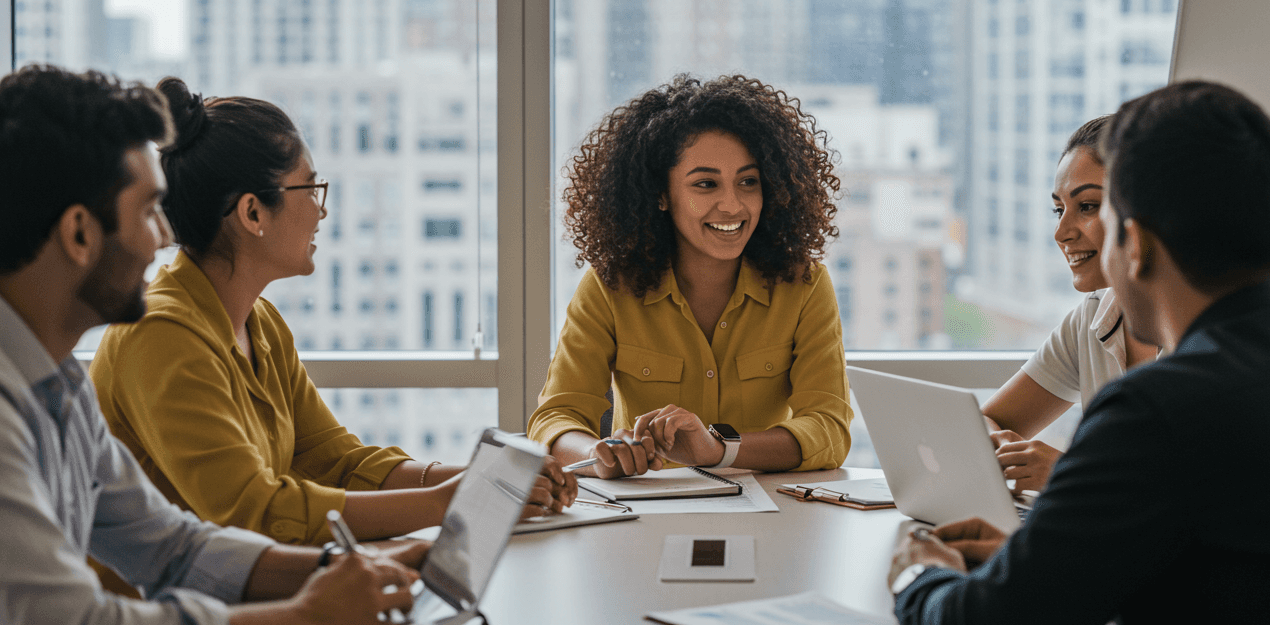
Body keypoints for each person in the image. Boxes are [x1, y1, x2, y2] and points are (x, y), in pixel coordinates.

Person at [888, 81, 1270, 624]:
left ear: (1135, 245)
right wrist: (1049, 561)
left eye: (1101, 219)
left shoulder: (1154, 410)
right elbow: (1251, 577)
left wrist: (916, 572)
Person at [0, 65, 427, 624]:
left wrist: (350, 565)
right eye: (149, 211)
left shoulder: (61, 385)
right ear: (80, 234)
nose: (163, 237)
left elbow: (173, 547)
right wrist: (304, 614)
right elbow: (78, 620)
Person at [89, 77, 574, 549]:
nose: (322, 211)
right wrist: (450, 503)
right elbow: (252, 510)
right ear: (253, 213)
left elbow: (336, 460)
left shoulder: (261, 324)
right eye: (310, 188)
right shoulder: (161, 332)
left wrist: (490, 477)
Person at [528, 74, 852, 478]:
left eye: (748, 182)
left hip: (774, 513)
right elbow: (555, 419)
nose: (732, 205)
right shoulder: (609, 287)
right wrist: (602, 454)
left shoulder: (804, 285)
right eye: (705, 184)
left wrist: (718, 450)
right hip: (646, 513)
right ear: (661, 194)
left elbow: (829, 429)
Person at [980, 116, 1159, 494]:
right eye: (1059, 209)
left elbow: (1211, 500)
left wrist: (1068, 474)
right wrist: (1005, 454)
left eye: (1088, 206)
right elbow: (986, 422)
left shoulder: (1217, 325)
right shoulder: (1094, 316)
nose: (1062, 233)